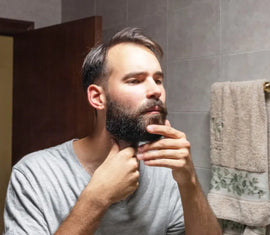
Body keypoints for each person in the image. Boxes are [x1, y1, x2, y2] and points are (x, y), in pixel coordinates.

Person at [3, 27, 222, 235]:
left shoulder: (165, 170)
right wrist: (97, 198)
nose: (156, 90)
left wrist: (189, 181)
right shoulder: (34, 175)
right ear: (98, 97)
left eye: (158, 80)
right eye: (135, 80)